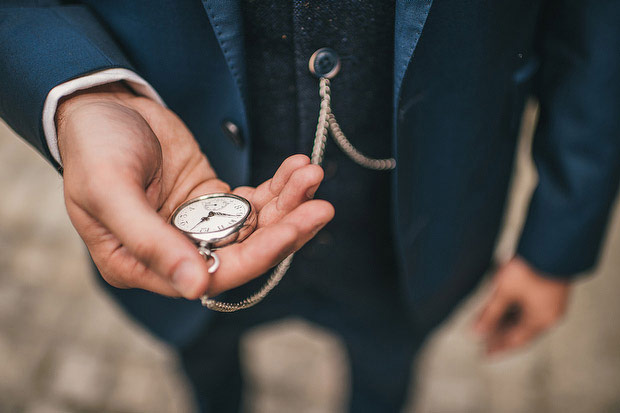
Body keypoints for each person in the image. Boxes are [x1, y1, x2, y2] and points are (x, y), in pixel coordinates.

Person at [1, 1, 619, 411]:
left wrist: (555, 243)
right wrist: (87, 93)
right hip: (176, 198)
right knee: (205, 356)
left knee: (386, 374)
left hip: (414, 226)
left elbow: (599, 28)